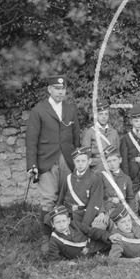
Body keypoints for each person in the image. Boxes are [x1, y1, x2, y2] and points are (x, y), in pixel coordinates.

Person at [26, 74, 81, 254]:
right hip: (46, 160)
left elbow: (76, 137)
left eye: (63, 89)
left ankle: (68, 236)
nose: (60, 92)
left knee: (67, 199)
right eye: (57, 89)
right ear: (49, 89)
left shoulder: (70, 109)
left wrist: (78, 160)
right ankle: (47, 237)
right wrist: (31, 165)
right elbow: (31, 140)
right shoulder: (39, 110)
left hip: (67, 159)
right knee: (49, 200)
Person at [57, 146, 104, 229]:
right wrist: (58, 214)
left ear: (89, 161)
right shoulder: (69, 177)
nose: (80, 164)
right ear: (74, 162)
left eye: (83, 161)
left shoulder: (95, 178)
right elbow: (61, 199)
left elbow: (93, 204)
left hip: (83, 215)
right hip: (67, 213)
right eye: (77, 161)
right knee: (48, 219)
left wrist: (85, 224)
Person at [44, 205, 113, 261]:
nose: (61, 224)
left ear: (68, 220)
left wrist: (108, 236)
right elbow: (54, 259)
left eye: (63, 221)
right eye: (57, 222)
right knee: (107, 254)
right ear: (52, 224)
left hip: (93, 245)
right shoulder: (54, 240)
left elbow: (91, 231)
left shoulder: (75, 225)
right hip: (83, 256)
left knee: (113, 242)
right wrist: (66, 263)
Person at [98, 145, 136, 223]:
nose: (112, 164)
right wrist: (101, 212)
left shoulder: (126, 178)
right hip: (107, 211)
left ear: (120, 160)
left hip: (123, 211)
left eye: (114, 160)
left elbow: (130, 198)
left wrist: (130, 214)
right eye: (109, 161)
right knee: (100, 226)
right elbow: (98, 197)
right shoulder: (101, 177)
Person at [81, 99, 120, 173]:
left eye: (106, 114)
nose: (104, 117)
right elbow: (85, 156)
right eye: (101, 114)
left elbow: (118, 153)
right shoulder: (90, 132)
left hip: (112, 169)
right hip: (96, 169)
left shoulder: (114, 132)